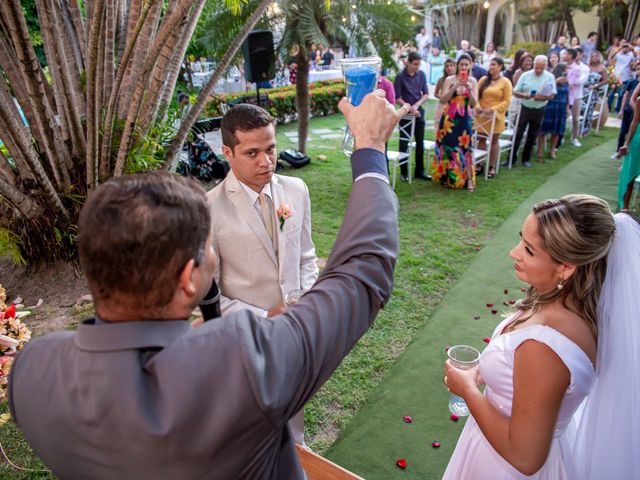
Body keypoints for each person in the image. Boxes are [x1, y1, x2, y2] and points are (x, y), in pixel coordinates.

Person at [9, 90, 407, 479]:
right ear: (188, 278)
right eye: (205, 253)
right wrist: (370, 149)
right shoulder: (242, 365)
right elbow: (361, 273)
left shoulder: (30, 368)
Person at [443, 194, 640, 480]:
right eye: (522, 239)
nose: (514, 252)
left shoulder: (544, 346)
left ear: (566, 267)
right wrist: (486, 373)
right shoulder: (565, 305)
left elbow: (525, 457)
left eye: (529, 249)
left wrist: (469, 391)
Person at [206, 104, 319, 444]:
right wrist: (264, 314)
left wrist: (307, 301)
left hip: (295, 331)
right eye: (252, 153)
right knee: (249, 427)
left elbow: (307, 255)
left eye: (270, 149)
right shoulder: (209, 208)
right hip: (245, 337)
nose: (266, 161)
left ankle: (295, 452)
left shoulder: (297, 189)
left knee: (293, 415)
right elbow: (207, 297)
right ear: (228, 152)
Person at [432, 54, 478, 191]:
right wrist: (455, 86)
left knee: (466, 148)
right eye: (461, 64)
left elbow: (474, 104)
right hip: (449, 120)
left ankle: (468, 179)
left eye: (466, 64)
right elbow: (442, 100)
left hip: (465, 120)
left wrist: (469, 89)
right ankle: (448, 177)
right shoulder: (449, 79)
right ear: (457, 65)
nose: (463, 67)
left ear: (470, 66)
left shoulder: (473, 81)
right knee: (449, 147)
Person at [507, 55, 557, 168]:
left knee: (532, 134)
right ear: (533, 65)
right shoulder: (526, 75)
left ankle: (526, 159)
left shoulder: (550, 76)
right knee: (518, 133)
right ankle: (511, 158)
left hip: (539, 108)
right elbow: (515, 91)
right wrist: (525, 95)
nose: (538, 70)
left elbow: (552, 95)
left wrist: (543, 97)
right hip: (525, 106)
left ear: (545, 67)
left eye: (541, 68)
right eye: (536, 68)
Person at [394, 51, 431, 181]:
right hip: (405, 113)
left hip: (418, 111)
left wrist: (416, 106)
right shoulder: (400, 77)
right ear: (408, 62)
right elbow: (397, 98)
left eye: (418, 64)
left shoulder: (421, 75)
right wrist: (409, 108)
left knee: (419, 142)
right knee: (404, 141)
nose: (417, 67)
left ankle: (419, 171)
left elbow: (425, 94)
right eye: (415, 64)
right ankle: (404, 172)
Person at [475, 57, 512, 178]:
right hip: (482, 116)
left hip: (496, 116)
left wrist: (494, 109)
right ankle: (479, 164)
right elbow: (475, 95)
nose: (491, 67)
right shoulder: (483, 80)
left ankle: (491, 165)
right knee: (481, 139)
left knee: (494, 141)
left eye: (494, 64)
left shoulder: (506, 82)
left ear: (500, 66)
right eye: (490, 64)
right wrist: (478, 106)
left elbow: (507, 101)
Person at [537, 63, 569, 160]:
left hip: (561, 107)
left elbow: (568, 94)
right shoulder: (550, 78)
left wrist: (568, 107)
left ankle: (552, 150)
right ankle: (540, 150)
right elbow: (544, 91)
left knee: (557, 130)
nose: (567, 72)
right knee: (543, 130)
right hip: (550, 106)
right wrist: (555, 82)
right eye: (565, 70)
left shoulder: (566, 81)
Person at [617, 96, 640, 211]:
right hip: (637, 138)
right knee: (631, 171)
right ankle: (625, 206)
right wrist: (626, 143)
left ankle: (626, 206)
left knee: (631, 170)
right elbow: (635, 122)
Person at [613, 61, 640, 158]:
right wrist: (622, 109)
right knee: (624, 130)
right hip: (630, 110)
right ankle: (620, 151)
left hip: (635, 111)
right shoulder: (632, 82)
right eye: (637, 69)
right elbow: (628, 96)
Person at [564, 48, 585, 147]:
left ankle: (575, 137)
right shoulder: (563, 65)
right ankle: (560, 136)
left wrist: (563, 83)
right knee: (563, 116)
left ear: (571, 56)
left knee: (575, 118)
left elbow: (571, 82)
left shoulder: (576, 68)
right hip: (563, 94)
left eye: (567, 54)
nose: (564, 55)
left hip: (574, 96)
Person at [434, 58, 457, 126]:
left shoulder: (458, 80)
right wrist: (442, 96)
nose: (449, 68)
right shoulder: (441, 80)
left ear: (455, 66)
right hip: (443, 106)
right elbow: (436, 93)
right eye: (447, 66)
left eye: (451, 65)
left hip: (455, 107)